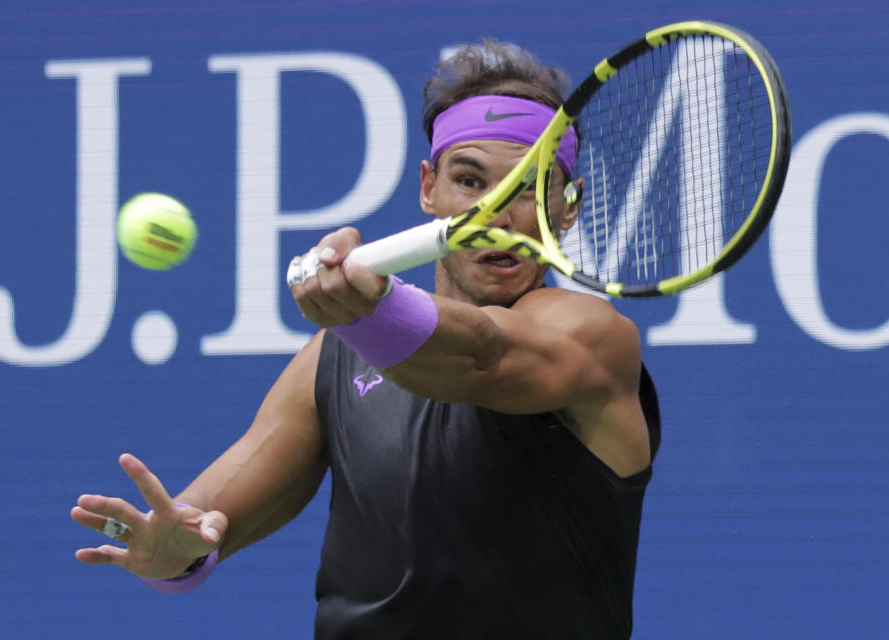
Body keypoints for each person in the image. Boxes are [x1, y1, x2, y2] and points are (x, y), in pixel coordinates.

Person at [71, 39, 660, 639]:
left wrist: (371, 306)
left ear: (569, 207)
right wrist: (169, 551)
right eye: (469, 180)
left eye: (530, 188)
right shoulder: (336, 355)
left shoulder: (593, 339)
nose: (496, 214)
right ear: (429, 188)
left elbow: (482, 357)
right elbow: (204, 523)